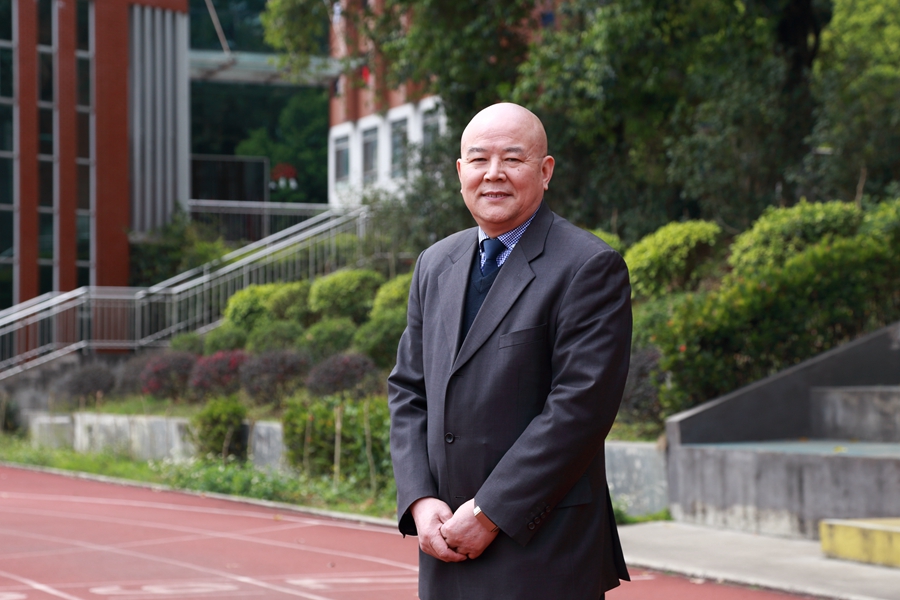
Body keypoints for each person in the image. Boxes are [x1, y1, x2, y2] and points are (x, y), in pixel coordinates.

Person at [388, 102, 632, 600]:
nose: (493, 174)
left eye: (513, 159)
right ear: (461, 171)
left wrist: (489, 513)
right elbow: (408, 390)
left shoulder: (588, 266)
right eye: (479, 160)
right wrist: (419, 499)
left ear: (545, 171)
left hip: (542, 552)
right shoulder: (435, 264)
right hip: (445, 546)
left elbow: (579, 410)